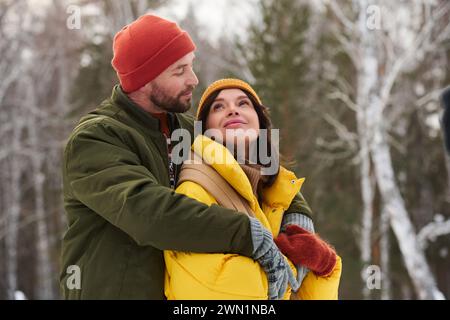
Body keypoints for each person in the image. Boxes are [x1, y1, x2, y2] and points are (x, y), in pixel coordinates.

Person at [59, 15, 312, 299]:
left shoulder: (188, 129)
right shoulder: (96, 139)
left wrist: (297, 216)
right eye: (179, 71)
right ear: (144, 80)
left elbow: (256, 159)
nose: (194, 79)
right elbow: (148, 212)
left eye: (190, 66)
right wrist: (247, 234)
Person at [164, 79, 342, 300]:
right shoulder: (195, 188)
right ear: (204, 129)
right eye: (218, 106)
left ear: (260, 123)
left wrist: (325, 268)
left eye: (243, 103)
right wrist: (290, 265)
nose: (232, 110)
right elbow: (210, 291)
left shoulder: (271, 198)